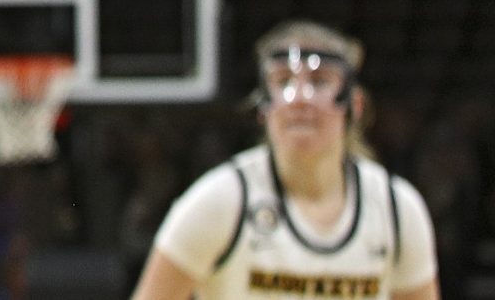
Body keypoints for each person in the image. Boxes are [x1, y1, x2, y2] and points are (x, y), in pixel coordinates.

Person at [128, 22, 436, 300]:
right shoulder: (220, 201)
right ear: (263, 107)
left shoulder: (396, 208)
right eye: (284, 81)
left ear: (354, 105)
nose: (300, 98)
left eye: (319, 82)